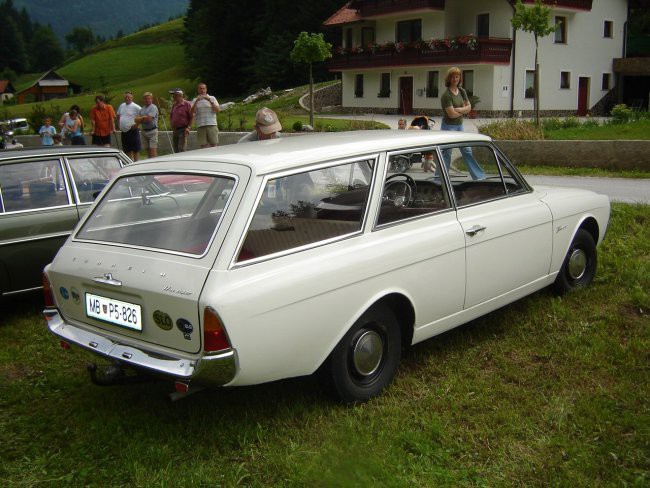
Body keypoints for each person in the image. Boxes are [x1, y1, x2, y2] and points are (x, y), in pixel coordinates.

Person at [437, 67, 485, 180]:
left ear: (459, 78)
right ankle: (439, 179)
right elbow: (451, 115)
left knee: (467, 151)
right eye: (453, 77)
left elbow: (469, 108)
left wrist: (458, 110)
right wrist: (462, 110)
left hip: (460, 126)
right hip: (448, 127)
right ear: (449, 79)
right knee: (446, 154)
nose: (455, 79)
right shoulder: (446, 95)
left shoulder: (462, 91)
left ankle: (479, 177)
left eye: (457, 76)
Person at [191, 82, 220, 148]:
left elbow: (218, 110)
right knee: (204, 147)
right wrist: (196, 101)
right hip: (200, 125)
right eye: (200, 89)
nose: (202, 90)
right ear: (198, 90)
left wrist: (209, 100)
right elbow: (192, 112)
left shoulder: (212, 98)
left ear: (206, 89)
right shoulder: (195, 100)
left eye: (203, 88)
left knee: (214, 145)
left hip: (211, 124)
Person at [117, 91, 142, 161]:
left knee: (135, 150)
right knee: (127, 150)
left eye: (128, 97)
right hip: (124, 131)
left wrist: (136, 125)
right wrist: (119, 124)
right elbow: (118, 115)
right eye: (126, 97)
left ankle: (136, 164)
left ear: (132, 98)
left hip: (132, 130)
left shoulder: (136, 107)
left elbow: (142, 117)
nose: (127, 98)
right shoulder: (122, 105)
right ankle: (129, 163)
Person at [169, 88, 193, 152]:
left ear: (179, 95)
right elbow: (171, 116)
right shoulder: (174, 105)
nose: (173, 97)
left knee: (181, 148)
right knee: (176, 148)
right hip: (175, 130)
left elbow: (191, 116)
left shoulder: (187, 104)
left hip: (183, 129)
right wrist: (172, 125)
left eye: (174, 95)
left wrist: (188, 127)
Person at [137, 92, 159, 158]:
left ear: (151, 99)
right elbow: (136, 119)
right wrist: (144, 118)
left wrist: (142, 118)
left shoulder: (153, 107)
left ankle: (155, 165)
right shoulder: (142, 109)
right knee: (148, 151)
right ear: (143, 99)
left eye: (149, 98)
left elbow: (149, 119)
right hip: (144, 131)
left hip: (152, 131)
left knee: (152, 150)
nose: (147, 100)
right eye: (145, 99)